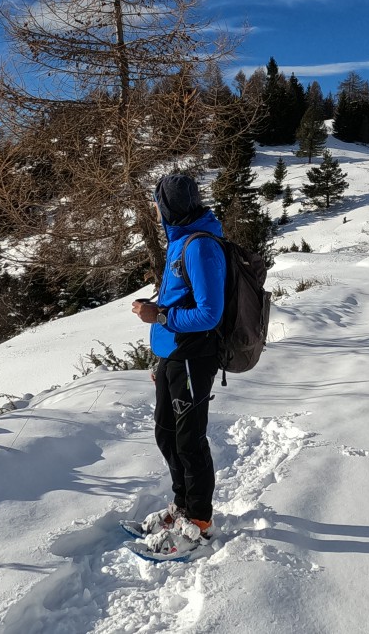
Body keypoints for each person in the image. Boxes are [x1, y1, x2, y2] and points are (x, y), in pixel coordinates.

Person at [128, 172, 226, 557]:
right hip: (173, 357)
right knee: (166, 435)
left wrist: (160, 318)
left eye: (157, 203)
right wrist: (161, 353)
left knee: (189, 441)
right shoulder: (178, 242)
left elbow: (209, 313)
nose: (155, 209)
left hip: (193, 356)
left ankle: (199, 521)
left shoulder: (199, 247)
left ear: (169, 206)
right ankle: (181, 507)